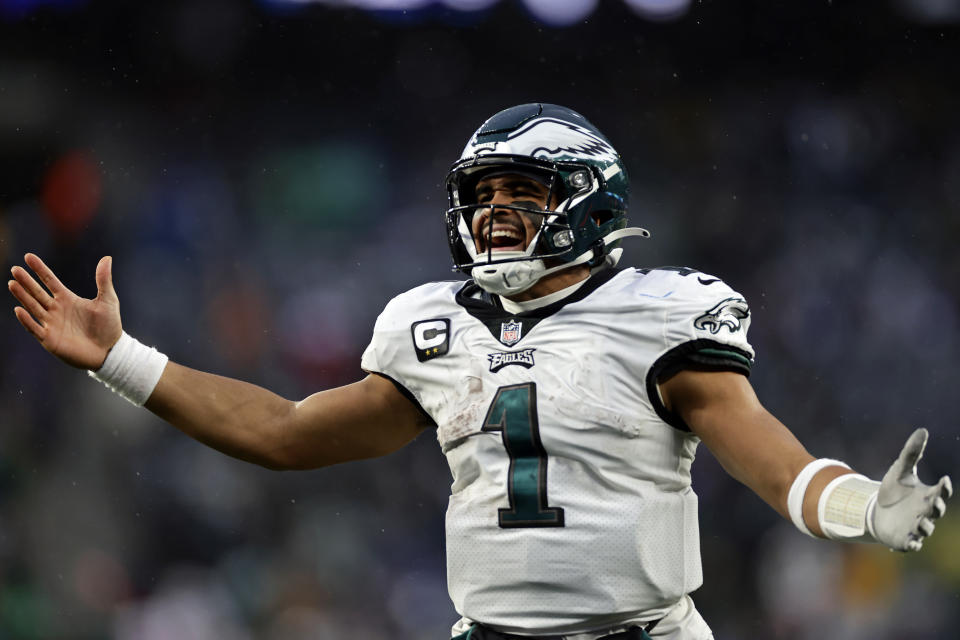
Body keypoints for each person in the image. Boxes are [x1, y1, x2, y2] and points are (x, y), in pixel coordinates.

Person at [7, 103, 953, 640]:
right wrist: (121, 360)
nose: (495, 211)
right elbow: (284, 433)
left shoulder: (658, 312)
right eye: (484, 194)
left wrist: (862, 507)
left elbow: (769, 460)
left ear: (586, 204)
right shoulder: (430, 322)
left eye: (523, 192)